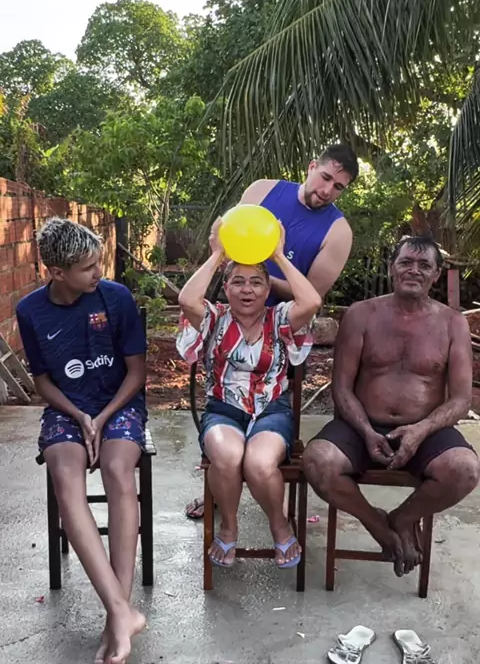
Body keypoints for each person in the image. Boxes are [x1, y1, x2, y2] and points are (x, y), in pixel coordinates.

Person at [185, 143, 359, 518]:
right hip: (232, 318)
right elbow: (229, 246)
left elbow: (310, 296)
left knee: (273, 413)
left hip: (283, 329)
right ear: (311, 167)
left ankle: (270, 485)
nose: (327, 190)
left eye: (338, 187)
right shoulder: (262, 190)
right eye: (325, 177)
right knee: (222, 404)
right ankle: (216, 492)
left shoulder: (339, 232)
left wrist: (262, 276)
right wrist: (241, 276)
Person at [16, 218, 147, 664]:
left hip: (119, 404)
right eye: (88, 267)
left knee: (117, 470)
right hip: (67, 409)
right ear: (57, 272)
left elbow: (137, 373)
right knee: (65, 477)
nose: (99, 273)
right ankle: (121, 613)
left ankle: (117, 616)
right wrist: (79, 415)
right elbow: (42, 381)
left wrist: (104, 416)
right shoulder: (30, 311)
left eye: (98, 263)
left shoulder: (117, 298)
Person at [303, 235, 479, 577]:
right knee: (317, 461)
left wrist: (420, 430)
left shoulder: (452, 322)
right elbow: (341, 388)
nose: (414, 270)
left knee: (465, 470)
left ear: (436, 275)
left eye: (424, 265)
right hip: (361, 425)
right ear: (391, 268)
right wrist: (366, 432)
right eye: (406, 262)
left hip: (426, 429)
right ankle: (378, 525)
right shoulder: (361, 314)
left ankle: (401, 518)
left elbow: (461, 399)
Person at [177, 218, 321, 568]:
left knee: (258, 463)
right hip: (223, 411)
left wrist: (277, 255)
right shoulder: (215, 318)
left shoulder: (279, 319)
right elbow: (186, 299)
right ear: (226, 288)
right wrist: (218, 254)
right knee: (228, 457)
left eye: (256, 282)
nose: (247, 290)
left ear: (268, 289)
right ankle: (228, 526)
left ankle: (279, 525)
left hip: (271, 411)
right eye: (238, 281)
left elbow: (312, 301)